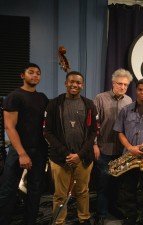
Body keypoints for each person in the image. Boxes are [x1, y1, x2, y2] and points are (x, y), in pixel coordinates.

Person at [43, 71, 98, 225]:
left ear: (83, 85)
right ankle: (59, 221)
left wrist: (79, 155)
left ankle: (84, 218)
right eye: (72, 82)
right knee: (60, 195)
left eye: (78, 82)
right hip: (61, 159)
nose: (75, 85)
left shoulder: (89, 105)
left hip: (83, 158)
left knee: (83, 192)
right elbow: (47, 132)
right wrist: (67, 154)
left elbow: (94, 132)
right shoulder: (54, 104)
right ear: (66, 83)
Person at [0, 63, 49, 225]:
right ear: (23, 75)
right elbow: (9, 127)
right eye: (31, 72)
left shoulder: (42, 97)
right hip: (19, 151)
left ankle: (30, 221)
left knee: (35, 191)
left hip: (40, 151)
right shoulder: (14, 96)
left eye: (38, 73)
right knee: (8, 190)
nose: (35, 75)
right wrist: (22, 154)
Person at [113, 78, 143, 225]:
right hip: (129, 156)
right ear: (136, 91)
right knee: (128, 190)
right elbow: (119, 131)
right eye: (140, 90)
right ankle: (131, 217)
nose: (142, 92)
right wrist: (129, 147)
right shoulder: (126, 110)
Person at [93, 68, 133, 225]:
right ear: (113, 83)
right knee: (103, 183)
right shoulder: (100, 98)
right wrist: (94, 145)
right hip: (104, 149)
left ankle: (113, 207)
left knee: (117, 183)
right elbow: (93, 125)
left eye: (125, 85)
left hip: (121, 150)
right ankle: (101, 212)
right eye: (120, 84)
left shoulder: (129, 100)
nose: (122, 87)